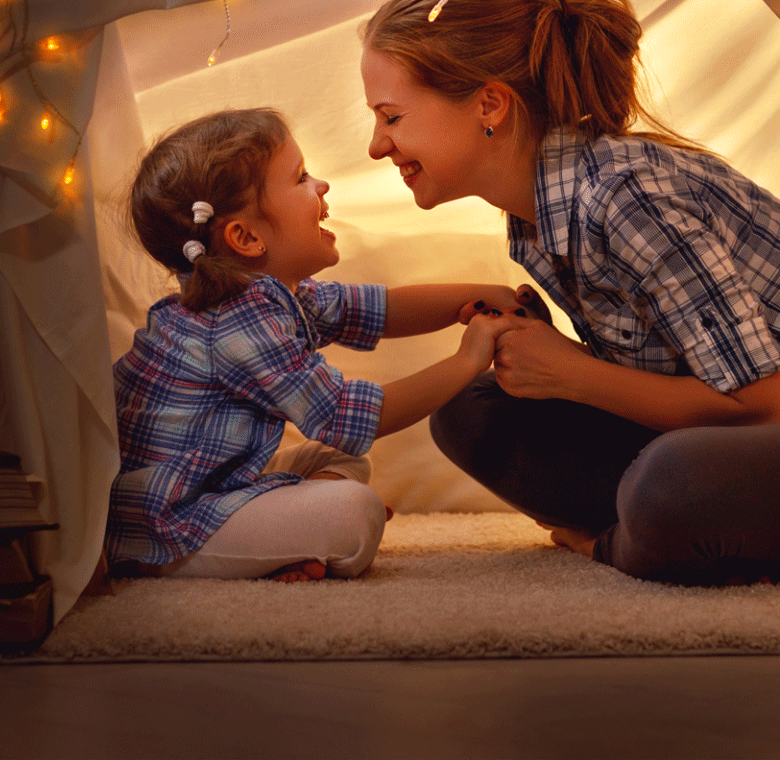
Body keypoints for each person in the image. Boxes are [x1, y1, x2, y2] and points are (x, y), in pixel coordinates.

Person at [360, 0, 780, 585]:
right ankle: (691, 537)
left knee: (670, 484)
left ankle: (620, 542)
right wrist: (550, 354)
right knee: (470, 411)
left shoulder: (628, 197)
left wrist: (573, 374)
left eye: (391, 117)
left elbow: (762, 411)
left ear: (489, 105)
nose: (376, 143)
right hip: (754, 453)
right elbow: (668, 369)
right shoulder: (539, 214)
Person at [111, 108, 523, 582]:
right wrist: (469, 360)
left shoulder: (268, 296)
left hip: (211, 484)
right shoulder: (234, 319)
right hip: (168, 523)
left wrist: (473, 298)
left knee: (339, 461)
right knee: (355, 513)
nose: (321, 185)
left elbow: (377, 309)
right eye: (301, 176)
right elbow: (345, 416)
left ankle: (288, 540)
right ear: (245, 237)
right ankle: (277, 539)